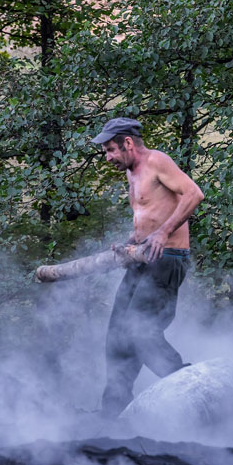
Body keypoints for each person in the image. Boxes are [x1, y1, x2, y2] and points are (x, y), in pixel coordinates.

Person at [90, 117, 205, 417]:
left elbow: (194, 194)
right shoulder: (132, 172)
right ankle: (112, 413)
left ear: (128, 143)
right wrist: (130, 242)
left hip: (167, 259)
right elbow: (149, 214)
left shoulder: (156, 161)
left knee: (141, 330)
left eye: (111, 150)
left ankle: (192, 391)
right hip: (142, 259)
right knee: (118, 334)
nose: (108, 158)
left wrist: (164, 232)